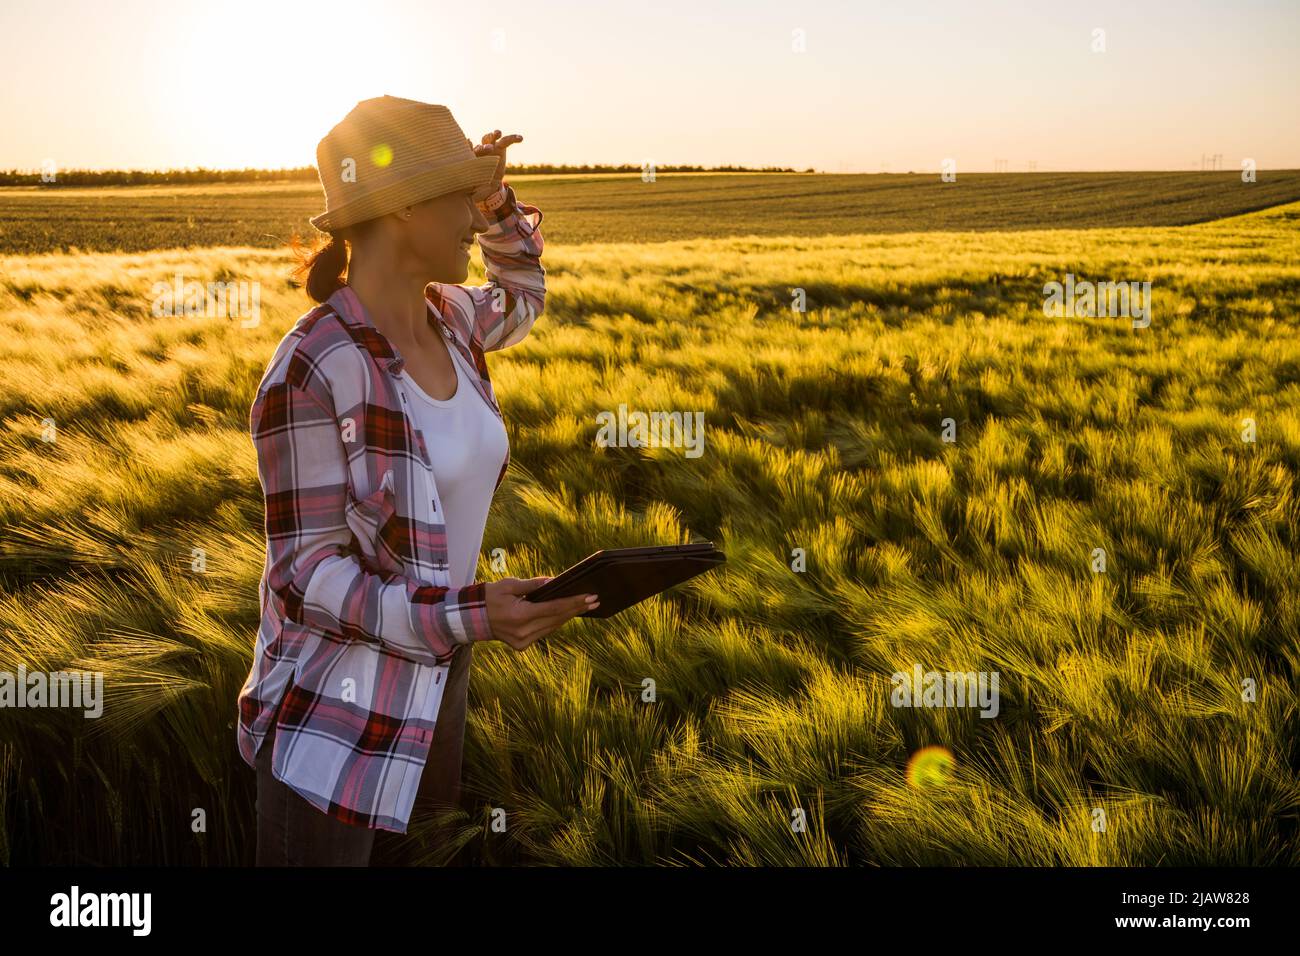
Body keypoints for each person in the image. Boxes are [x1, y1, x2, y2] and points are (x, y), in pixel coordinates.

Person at [235, 95, 598, 866]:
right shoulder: (314, 366)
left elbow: (524, 293)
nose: (473, 221)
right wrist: (471, 615)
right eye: (459, 198)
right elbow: (306, 578)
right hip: (335, 712)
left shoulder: (454, 321)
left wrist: (501, 201)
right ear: (401, 209)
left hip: (441, 676)